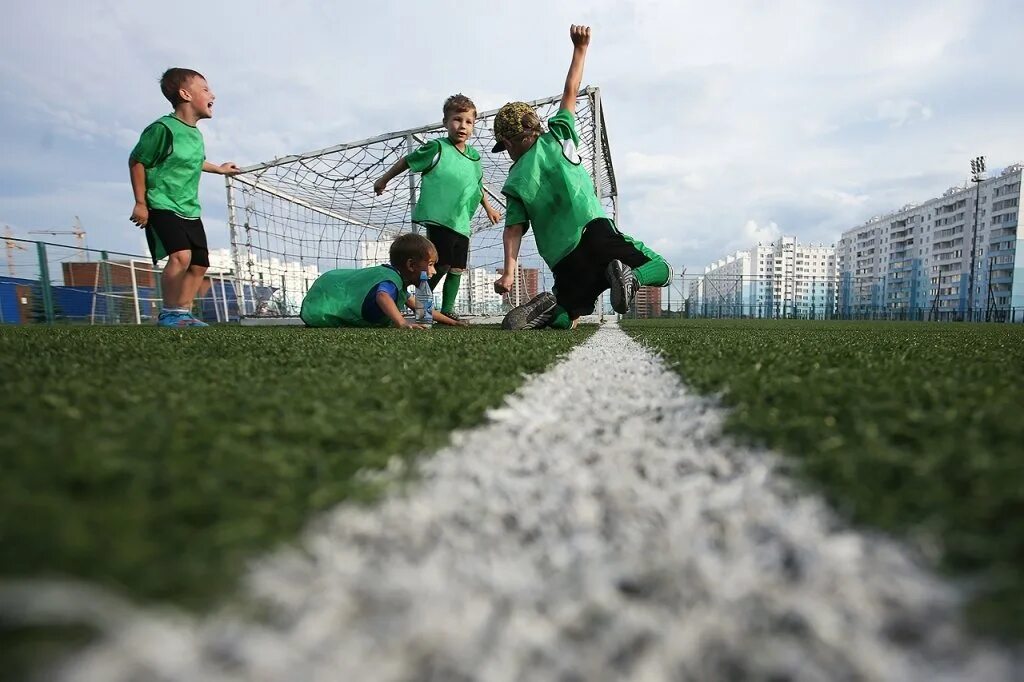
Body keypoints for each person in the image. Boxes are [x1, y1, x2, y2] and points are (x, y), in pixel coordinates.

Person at [492, 25, 671, 330]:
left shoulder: (514, 179)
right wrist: (580, 48)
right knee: (662, 268)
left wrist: (509, 271)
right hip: (593, 230)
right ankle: (630, 277)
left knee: (569, 316)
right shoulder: (560, 134)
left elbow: (513, 230)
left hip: (563, 259)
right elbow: (571, 90)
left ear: (508, 143)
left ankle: (550, 307)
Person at [129, 67, 240, 327]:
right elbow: (137, 161)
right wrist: (141, 203)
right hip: (162, 203)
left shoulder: (195, 135)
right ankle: (169, 313)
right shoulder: (162, 129)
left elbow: (196, 162)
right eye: (205, 89)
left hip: (189, 208)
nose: (212, 94)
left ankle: (183, 312)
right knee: (181, 256)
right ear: (185, 94)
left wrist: (220, 169)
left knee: (200, 264)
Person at [374, 94, 502, 319]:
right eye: (457, 119)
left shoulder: (474, 157)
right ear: (445, 122)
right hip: (439, 217)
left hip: (462, 222)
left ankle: (448, 310)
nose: (462, 126)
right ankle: (420, 306)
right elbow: (408, 160)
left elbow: (478, 185)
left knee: (457, 268)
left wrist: (489, 207)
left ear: (473, 126)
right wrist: (384, 179)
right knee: (437, 265)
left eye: (468, 122)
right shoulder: (437, 147)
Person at [300, 233, 467, 329]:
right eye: (430, 265)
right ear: (411, 265)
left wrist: (452, 322)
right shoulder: (390, 281)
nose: (434, 271)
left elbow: (421, 308)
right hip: (323, 300)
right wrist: (401, 322)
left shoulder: (399, 285)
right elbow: (382, 296)